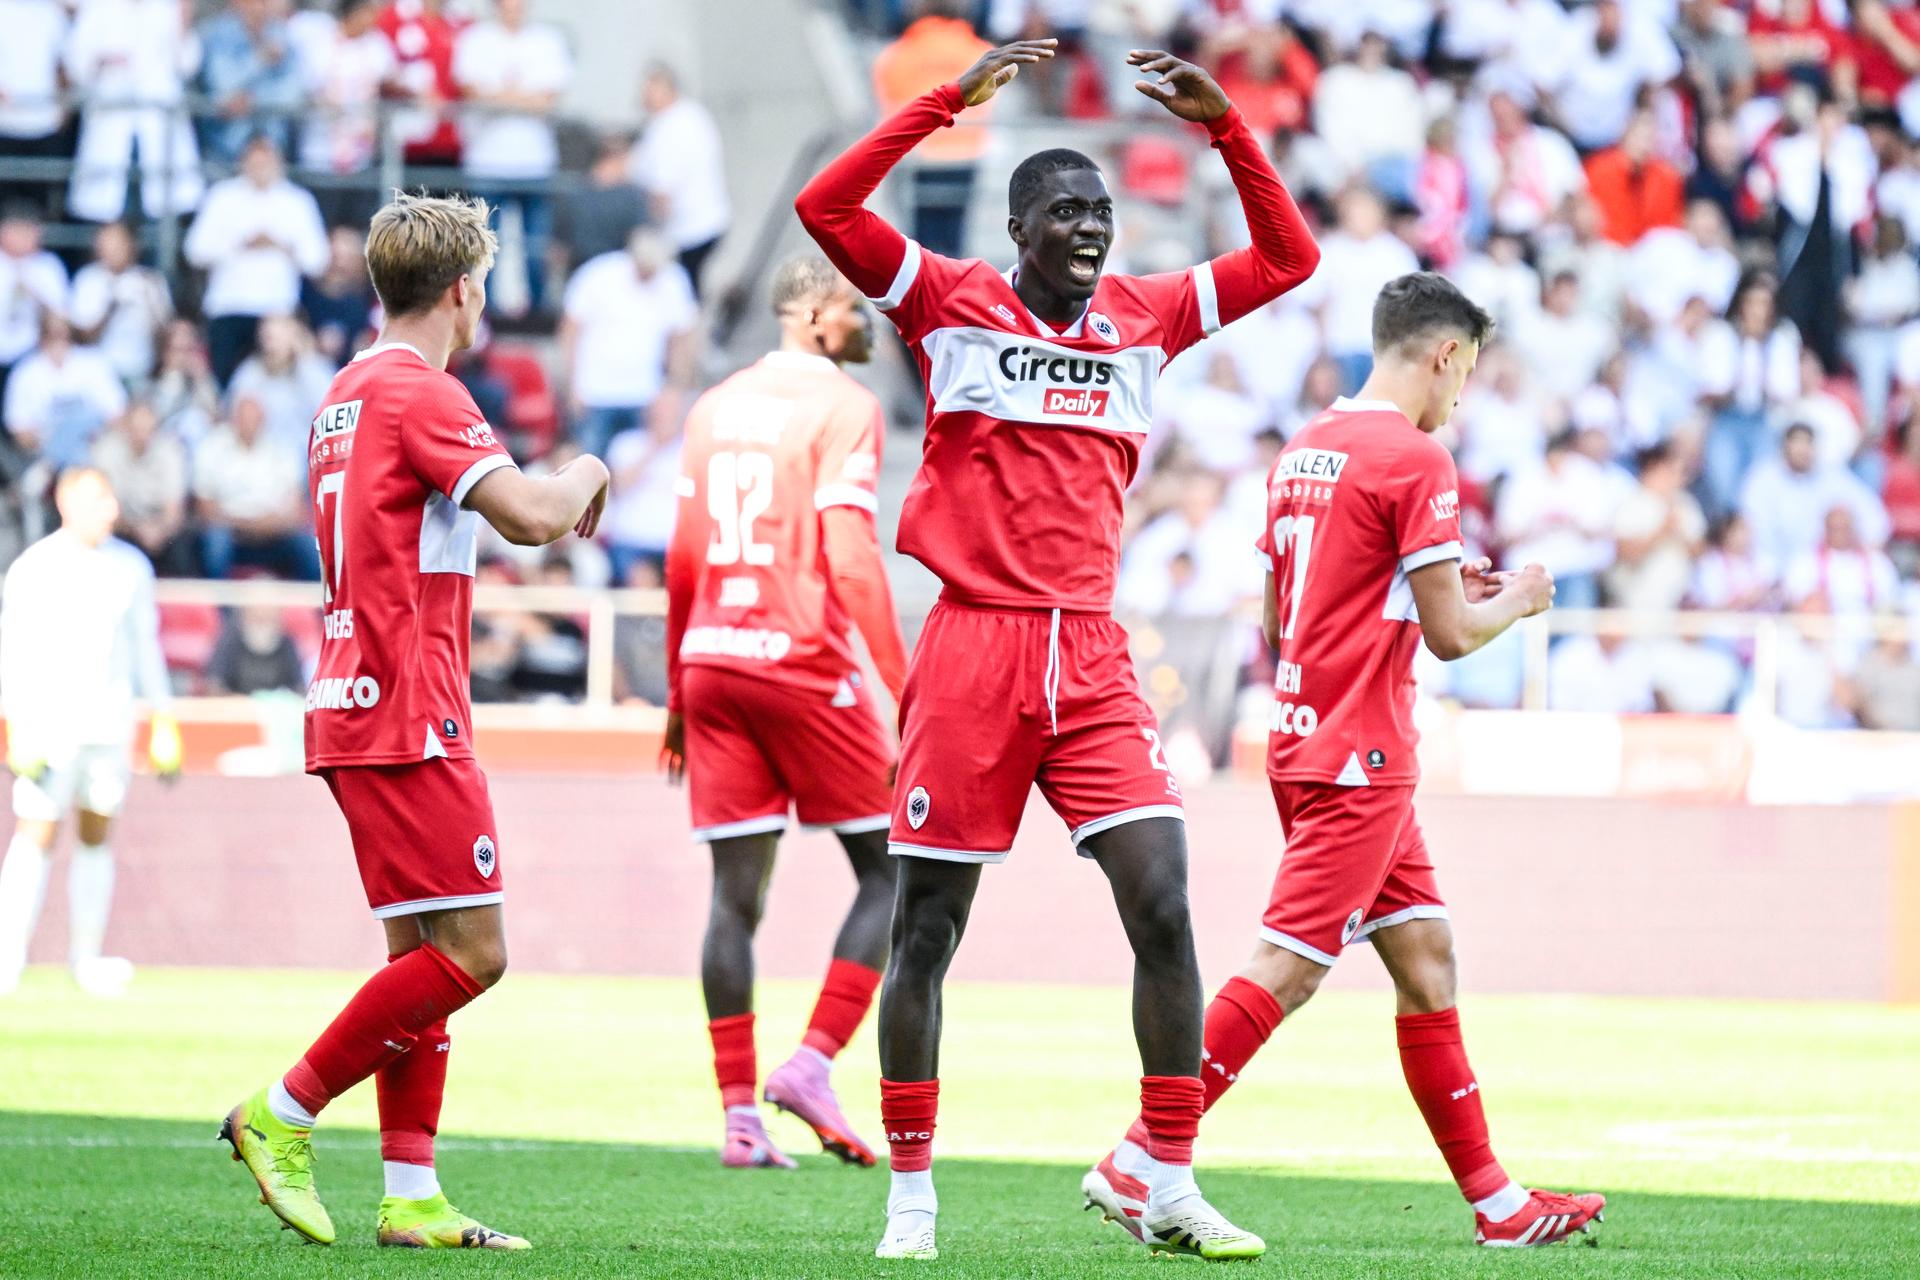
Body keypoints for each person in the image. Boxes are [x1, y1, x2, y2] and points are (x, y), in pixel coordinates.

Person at [797, 39, 1319, 1262]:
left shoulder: (1146, 317)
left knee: (1168, 902)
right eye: (1066, 210)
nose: (1091, 227)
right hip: (973, 647)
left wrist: (1226, 127)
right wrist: (942, 106)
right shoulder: (944, 297)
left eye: (1102, 210)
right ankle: (912, 1199)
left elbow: (1291, 259)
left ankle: (1166, 1175)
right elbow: (828, 207)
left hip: (1090, 654)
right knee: (927, 932)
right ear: (1020, 224)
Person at [1087, 272, 1605, 1252]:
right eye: (1468, 374)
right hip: (1362, 751)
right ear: (1445, 355)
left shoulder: (1306, 447)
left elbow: (1288, 612)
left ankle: (1498, 1203)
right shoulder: (1418, 457)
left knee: (1427, 958)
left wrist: (1430, 591)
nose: (1462, 397)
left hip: (1305, 731)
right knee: (1285, 969)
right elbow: (1452, 634)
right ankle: (1139, 1155)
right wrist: (1524, 598)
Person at [218, 191, 610, 1250]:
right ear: (467, 289)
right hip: (408, 703)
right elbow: (533, 517)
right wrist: (591, 467)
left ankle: (410, 1192)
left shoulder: (344, 391)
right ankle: (280, 1112)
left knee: (417, 958)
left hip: (354, 693)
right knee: (475, 951)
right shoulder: (420, 390)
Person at [660, 255, 910, 1172]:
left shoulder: (713, 406)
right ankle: (811, 1065)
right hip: (800, 659)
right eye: (852, 305)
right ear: (811, 310)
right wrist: (904, 682)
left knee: (735, 898)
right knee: (895, 870)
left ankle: (738, 1119)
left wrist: (678, 688)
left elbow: (684, 556)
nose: (868, 318)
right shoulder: (843, 408)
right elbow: (848, 557)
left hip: (712, 661)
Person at [0, 467, 179, 997]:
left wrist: (163, 715)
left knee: (97, 834)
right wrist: (15, 723)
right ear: (64, 503)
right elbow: (14, 651)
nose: (109, 511)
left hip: (110, 723)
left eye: (109, 500)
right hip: (50, 726)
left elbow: (145, 645)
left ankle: (85, 958)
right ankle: (8, 958)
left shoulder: (131, 568)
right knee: (35, 833)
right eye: (95, 500)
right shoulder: (37, 567)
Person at [182, 135, 330, 386]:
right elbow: (194, 251)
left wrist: (280, 245)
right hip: (228, 306)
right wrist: (239, 244)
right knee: (225, 383)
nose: (260, 168)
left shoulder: (297, 201)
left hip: (277, 308)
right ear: (243, 162)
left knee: (278, 383)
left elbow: (318, 261)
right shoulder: (222, 197)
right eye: (255, 161)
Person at [630, 63, 730, 295]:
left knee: (678, 294)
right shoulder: (691, 114)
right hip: (707, 220)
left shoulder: (670, 129)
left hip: (687, 229)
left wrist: (648, 234)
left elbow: (662, 192)